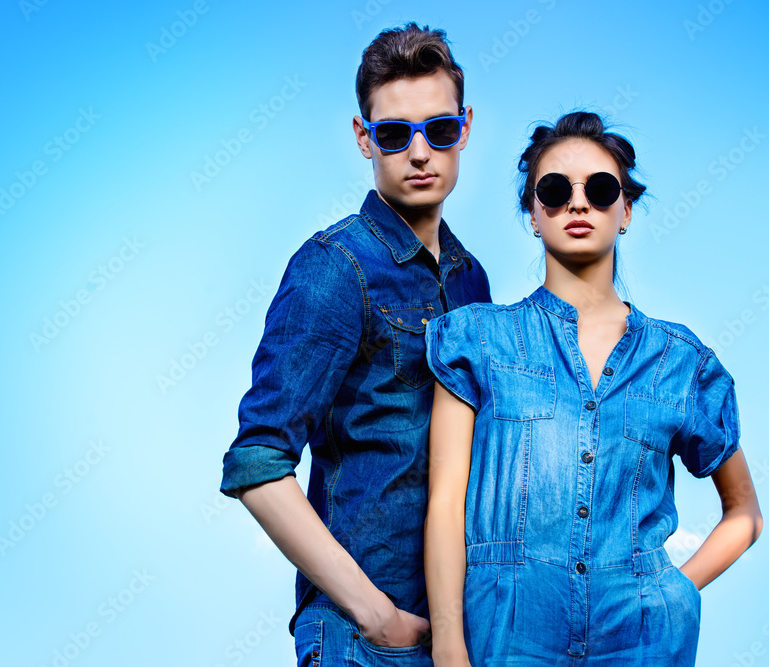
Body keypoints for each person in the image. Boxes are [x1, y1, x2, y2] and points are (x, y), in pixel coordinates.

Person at [423, 111, 763, 666]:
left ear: (625, 209)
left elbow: (744, 513)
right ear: (533, 214)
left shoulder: (680, 363)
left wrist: (675, 592)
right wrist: (448, 643)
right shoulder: (478, 340)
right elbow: (445, 504)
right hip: (503, 640)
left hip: (643, 647)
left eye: (601, 190)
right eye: (554, 190)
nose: (578, 203)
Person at [219, 23, 491, 666]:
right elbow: (257, 464)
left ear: (466, 127)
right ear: (365, 138)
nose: (420, 153)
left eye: (440, 130)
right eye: (395, 134)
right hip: (363, 642)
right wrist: (373, 614)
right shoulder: (334, 266)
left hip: (457, 633)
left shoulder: (472, 278)